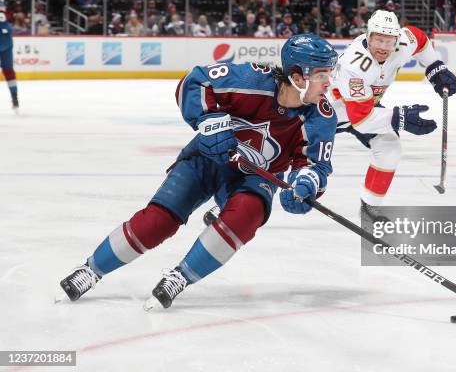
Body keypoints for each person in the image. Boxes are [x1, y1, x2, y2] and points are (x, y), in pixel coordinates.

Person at [59, 34, 339, 309]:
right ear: (297, 76)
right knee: (159, 221)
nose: (329, 83)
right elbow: (195, 81)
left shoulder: (322, 117)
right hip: (206, 160)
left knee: (247, 214)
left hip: (255, 176)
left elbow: (316, 165)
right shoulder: (251, 80)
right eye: (321, 74)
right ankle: (90, 270)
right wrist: (210, 121)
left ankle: (180, 277)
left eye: (330, 73)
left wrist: (305, 184)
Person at [326, 10, 456, 223]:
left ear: (397, 39)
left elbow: (420, 39)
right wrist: (399, 117)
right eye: (378, 40)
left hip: (365, 107)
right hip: (330, 111)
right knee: (292, 150)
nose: (383, 47)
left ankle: (369, 209)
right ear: (368, 36)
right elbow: (361, 119)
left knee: (390, 148)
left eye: (389, 41)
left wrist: (435, 67)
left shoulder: (402, 44)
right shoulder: (355, 64)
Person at [0, 3, 19, 109]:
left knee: (9, 72)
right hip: (7, 45)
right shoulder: (7, 21)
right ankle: (15, 98)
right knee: (9, 72)